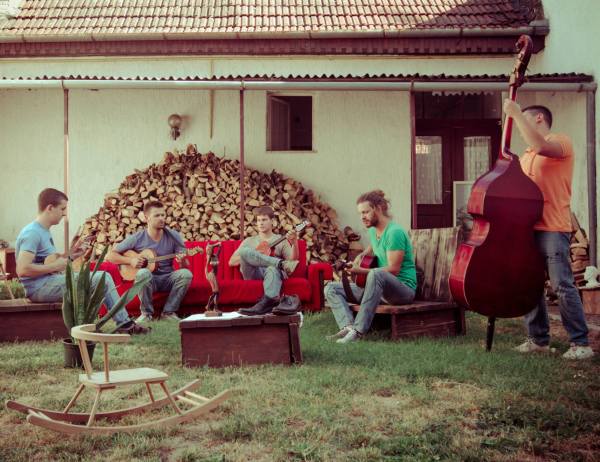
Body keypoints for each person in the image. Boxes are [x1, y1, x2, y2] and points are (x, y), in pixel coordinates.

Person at [504, 100, 594, 360]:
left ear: (539, 119)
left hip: (553, 227)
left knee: (562, 285)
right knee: (530, 285)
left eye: (524, 120)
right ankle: (538, 340)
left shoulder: (560, 142)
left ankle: (581, 344)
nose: (520, 127)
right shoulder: (527, 156)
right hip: (529, 229)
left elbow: (541, 145)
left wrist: (515, 113)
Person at [15, 188, 148, 334]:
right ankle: (125, 325)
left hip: (47, 282)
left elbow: (47, 262)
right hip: (39, 288)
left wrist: (73, 255)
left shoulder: (43, 231)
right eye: (62, 209)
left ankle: (121, 323)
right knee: (102, 278)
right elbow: (22, 269)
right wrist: (54, 266)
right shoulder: (33, 233)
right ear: (50, 208)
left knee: (100, 277)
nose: (64, 213)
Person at [325, 190, 417, 343]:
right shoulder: (374, 231)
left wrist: (361, 270)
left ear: (378, 209)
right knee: (331, 288)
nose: (362, 217)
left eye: (366, 212)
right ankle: (348, 327)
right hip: (377, 290)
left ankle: (358, 332)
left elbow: (394, 269)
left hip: (402, 291)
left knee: (376, 274)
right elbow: (374, 246)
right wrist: (361, 256)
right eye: (360, 213)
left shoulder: (394, 233)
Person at [107, 200, 193, 322]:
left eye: (163, 215)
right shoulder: (137, 238)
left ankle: (168, 312)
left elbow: (186, 267)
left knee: (186, 274)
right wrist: (130, 261)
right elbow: (110, 255)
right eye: (157, 215)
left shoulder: (174, 236)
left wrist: (182, 260)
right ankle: (146, 314)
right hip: (149, 280)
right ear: (147, 218)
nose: (162, 218)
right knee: (143, 273)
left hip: (168, 278)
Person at [229, 205, 300, 315]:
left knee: (272, 268)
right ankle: (279, 263)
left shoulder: (280, 239)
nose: (260, 223)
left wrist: (294, 242)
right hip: (253, 274)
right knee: (245, 251)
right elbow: (232, 262)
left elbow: (292, 261)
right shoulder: (249, 241)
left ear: (272, 221)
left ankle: (267, 303)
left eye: (264, 220)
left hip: (273, 274)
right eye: (258, 220)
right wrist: (256, 254)